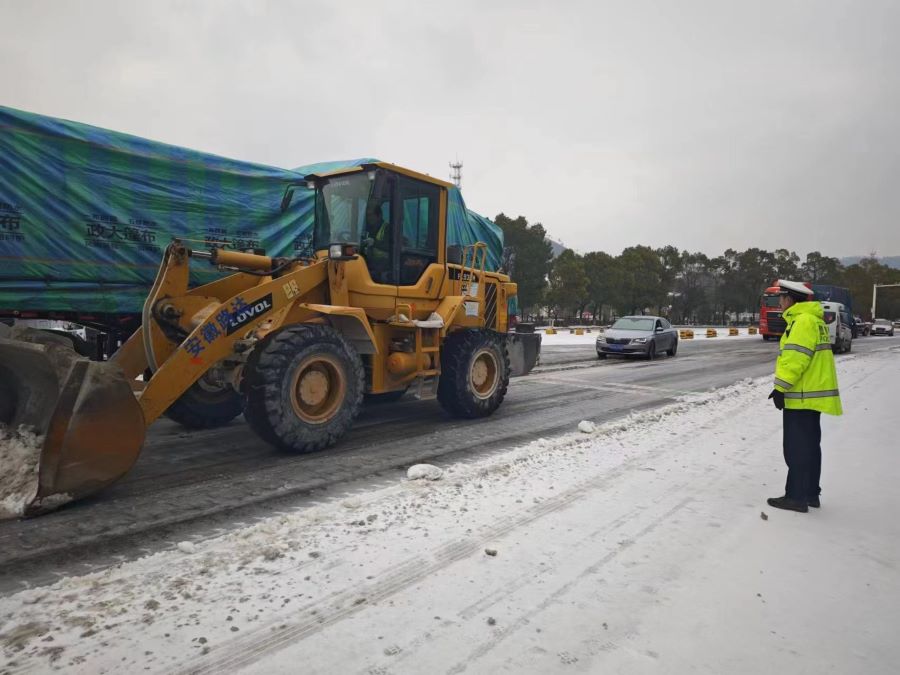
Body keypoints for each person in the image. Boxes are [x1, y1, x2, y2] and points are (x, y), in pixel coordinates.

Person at [767, 279, 842, 513]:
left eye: (781, 298)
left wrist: (780, 388)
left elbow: (795, 359)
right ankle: (810, 493)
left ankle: (796, 497)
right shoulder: (814, 320)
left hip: (800, 396)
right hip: (811, 395)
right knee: (810, 446)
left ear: (789, 299)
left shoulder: (801, 322)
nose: (779, 302)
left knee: (796, 447)